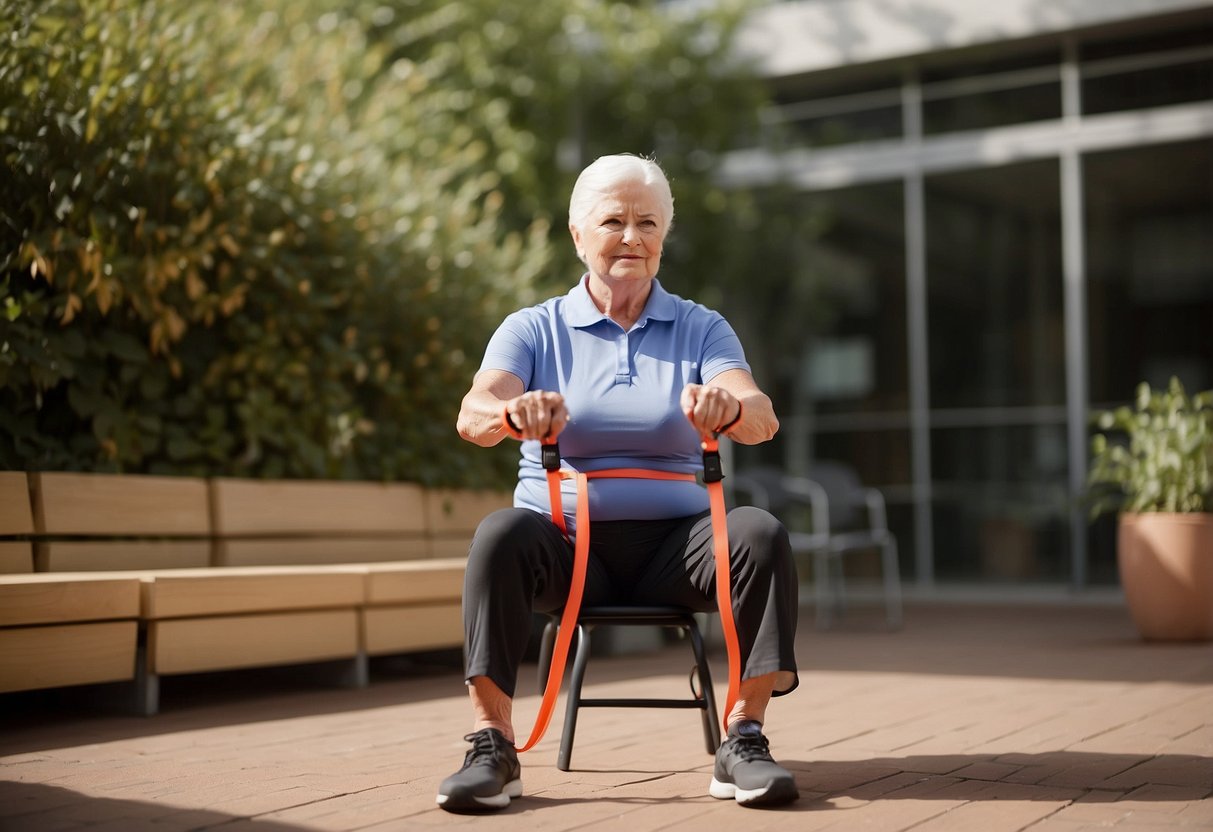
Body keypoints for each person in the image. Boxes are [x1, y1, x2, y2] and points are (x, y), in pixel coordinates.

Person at [437, 153, 799, 813]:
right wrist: (513, 412)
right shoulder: (533, 328)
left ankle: (743, 738)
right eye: (613, 221)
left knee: (758, 532)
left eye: (647, 222)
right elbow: (472, 414)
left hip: (675, 551)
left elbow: (761, 418)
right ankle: (492, 746)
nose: (631, 237)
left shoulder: (700, 327)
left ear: (663, 235)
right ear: (578, 235)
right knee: (499, 534)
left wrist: (729, 408)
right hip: (565, 547)